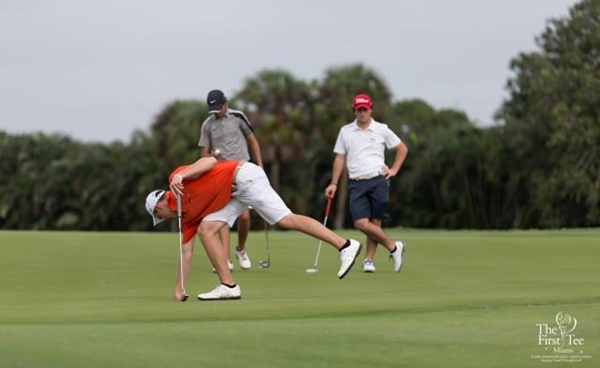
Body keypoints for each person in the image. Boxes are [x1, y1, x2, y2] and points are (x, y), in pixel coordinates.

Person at [145, 156, 362, 301]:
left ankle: (345, 245)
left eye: (159, 215)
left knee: (285, 220)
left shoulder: (176, 178)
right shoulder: (187, 219)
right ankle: (228, 286)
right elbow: (186, 254)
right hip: (235, 194)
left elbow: (210, 160)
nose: (163, 218)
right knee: (207, 229)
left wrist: (181, 176)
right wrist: (178, 289)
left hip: (244, 176)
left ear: (158, 207)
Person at [325, 93, 408, 273]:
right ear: (354, 111)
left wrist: (393, 170)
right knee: (360, 223)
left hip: (378, 179)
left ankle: (368, 261)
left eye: (365, 109)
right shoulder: (345, 131)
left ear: (371, 109)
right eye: (359, 110)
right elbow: (340, 158)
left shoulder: (382, 129)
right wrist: (334, 183)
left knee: (375, 222)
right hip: (356, 182)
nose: (362, 113)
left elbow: (402, 149)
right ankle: (394, 247)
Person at [198, 89, 263, 271]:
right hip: (221, 173)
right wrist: (213, 155)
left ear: (225, 103)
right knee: (224, 217)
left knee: (243, 217)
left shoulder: (238, 116)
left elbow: (253, 141)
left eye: (218, 108)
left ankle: (241, 249)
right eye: (213, 109)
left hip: (243, 170)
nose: (216, 112)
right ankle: (225, 260)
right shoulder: (207, 125)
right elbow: (204, 154)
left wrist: (260, 165)